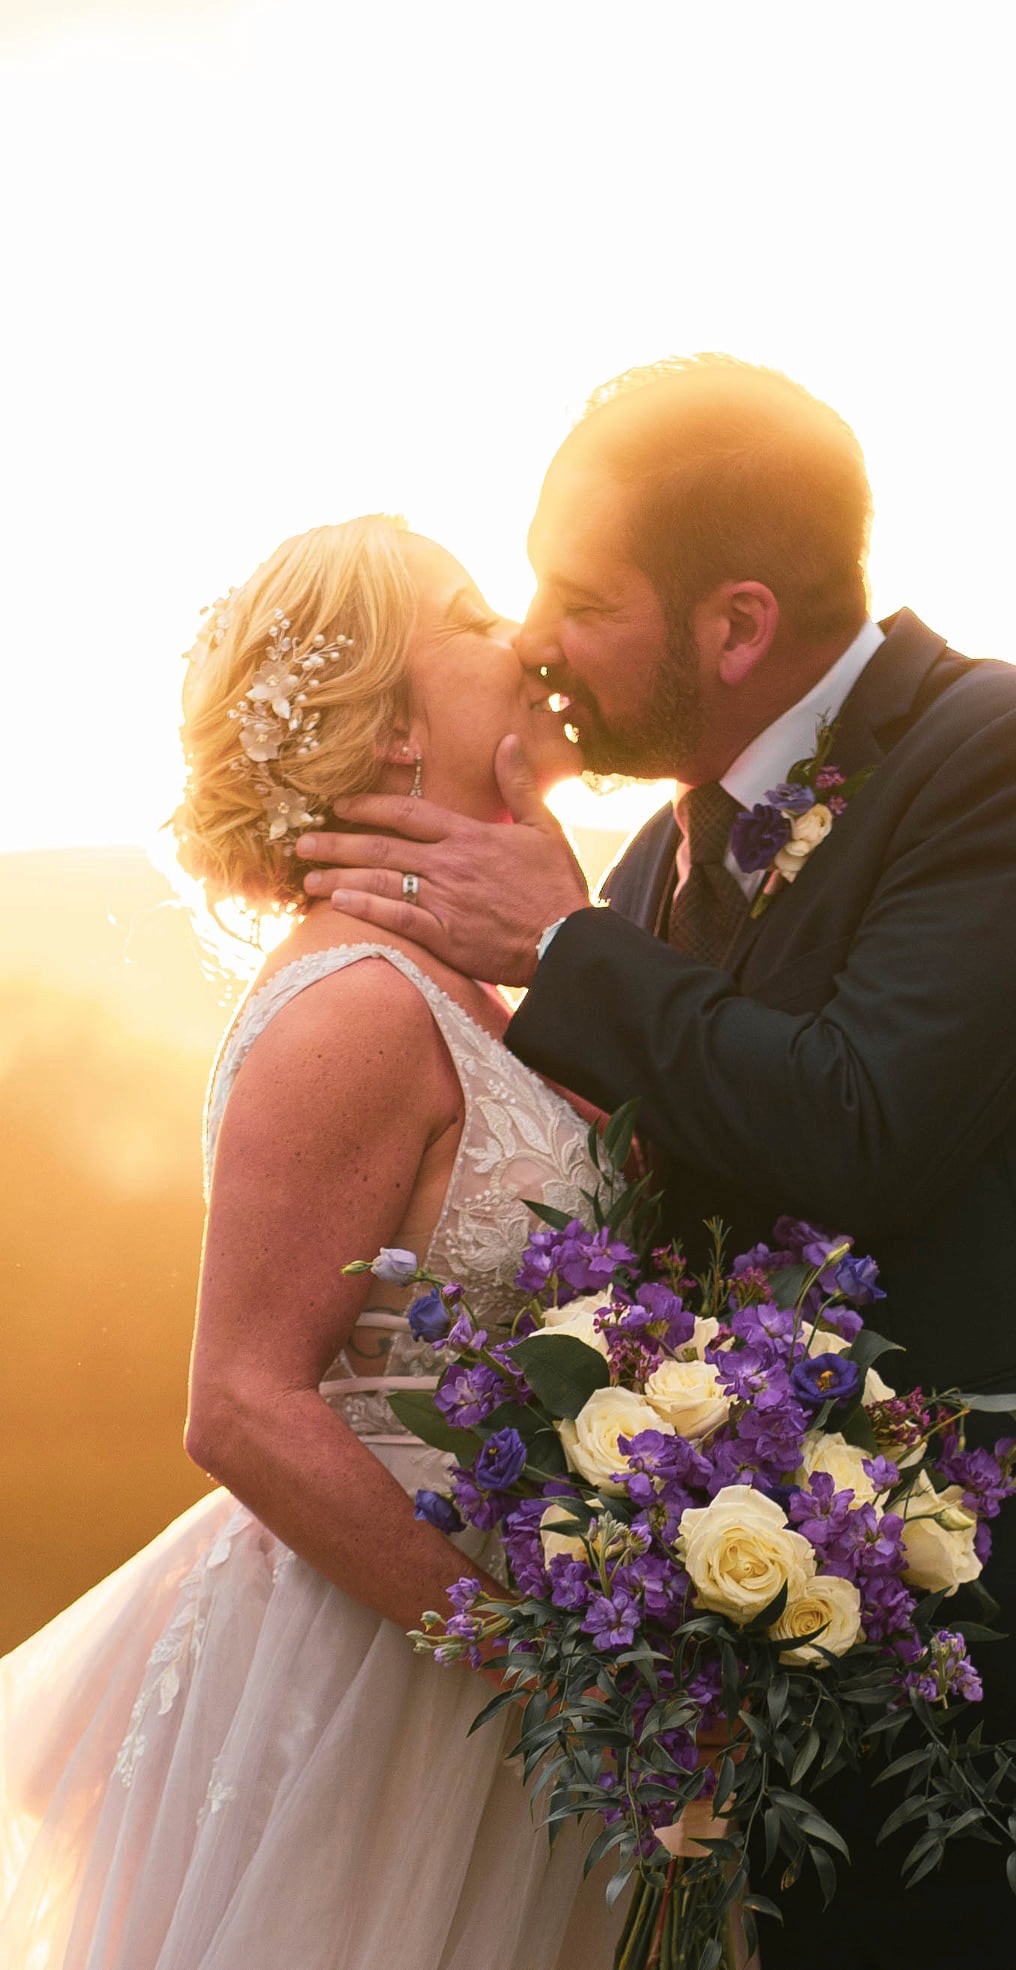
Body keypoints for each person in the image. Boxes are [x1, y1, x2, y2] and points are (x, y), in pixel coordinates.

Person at [303, 356, 1016, 1969]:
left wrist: (557, 946)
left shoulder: (1012, 756)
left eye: (579, 598)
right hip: (769, 1712)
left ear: (737, 625)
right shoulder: (644, 867)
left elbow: (861, 1122)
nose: (537, 644)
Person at [0, 515, 621, 1970]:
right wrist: (529, 1658)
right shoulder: (353, 1007)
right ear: (392, 722)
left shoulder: (462, 980)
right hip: (390, 1679)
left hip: (511, 1653)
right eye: (471, 614)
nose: (522, 636)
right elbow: (242, 1404)